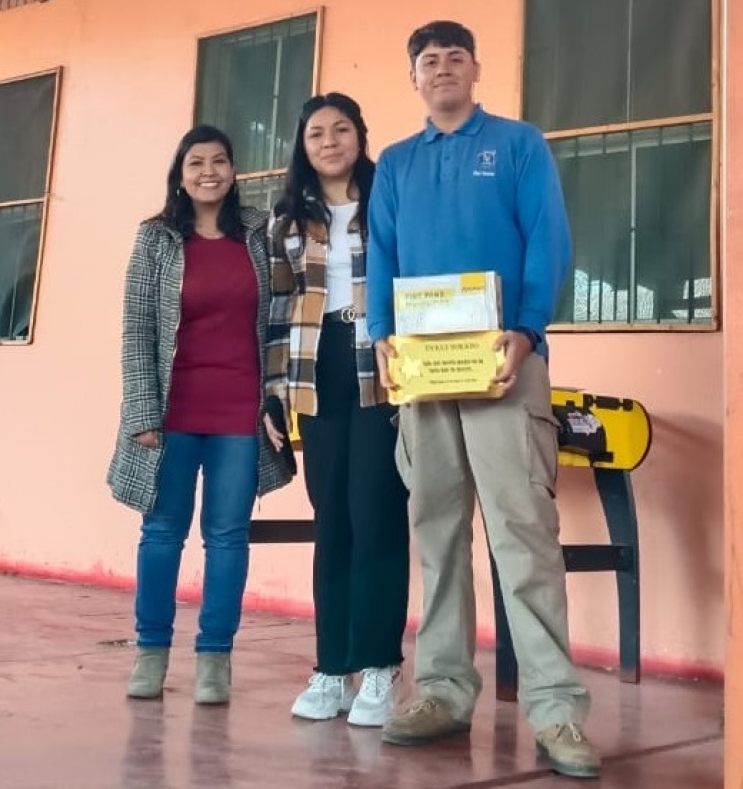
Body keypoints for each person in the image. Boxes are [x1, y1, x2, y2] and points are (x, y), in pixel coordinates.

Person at [365, 20, 601, 778]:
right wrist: (382, 339)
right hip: (424, 371)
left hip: (505, 362)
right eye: (427, 61)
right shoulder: (397, 165)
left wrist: (527, 332)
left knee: (522, 534)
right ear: (414, 78)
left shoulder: (519, 145)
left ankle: (557, 709)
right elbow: (383, 258)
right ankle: (440, 690)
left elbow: (549, 240)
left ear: (475, 69)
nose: (441, 70)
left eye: (453, 58)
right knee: (434, 533)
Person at [107, 125, 292, 705]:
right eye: (196, 163)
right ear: (180, 175)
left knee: (228, 537)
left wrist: (275, 400)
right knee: (161, 532)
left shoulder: (259, 235)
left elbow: (281, 319)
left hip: (239, 411)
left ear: (234, 171)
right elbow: (137, 330)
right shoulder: (156, 238)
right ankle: (151, 652)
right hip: (170, 411)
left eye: (219, 161)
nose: (208, 171)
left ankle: (215, 658)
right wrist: (140, 408)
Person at [263, 92, 410, 727]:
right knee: (334, 519)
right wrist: (271, 390)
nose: (329, 141)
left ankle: (379, 666)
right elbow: (275, 307)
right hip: (315, 374)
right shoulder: (287, 217)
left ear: (360, 135)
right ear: (303, 144)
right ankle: (331, 667)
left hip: (380, 367)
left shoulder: (391, 200)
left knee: (376, 511)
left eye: (341, 129)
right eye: (316, 132)